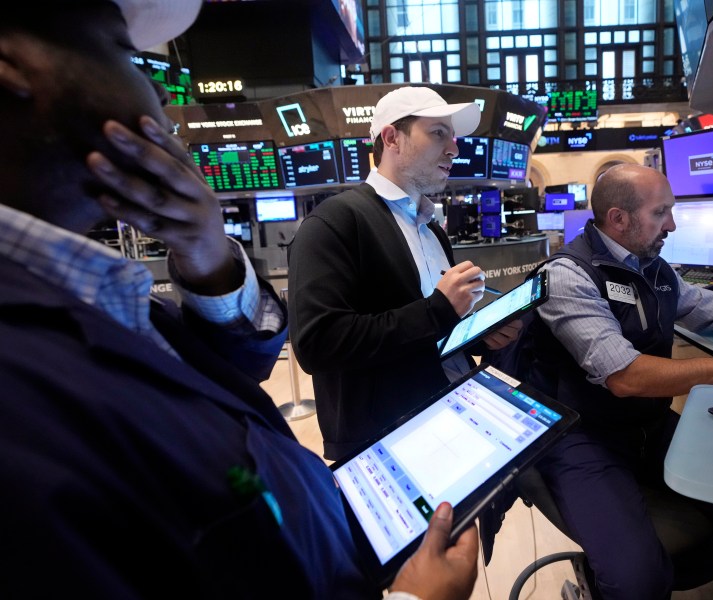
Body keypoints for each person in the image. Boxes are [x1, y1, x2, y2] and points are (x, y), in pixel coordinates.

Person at [0, 2, 477, 598]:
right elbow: (321, 344)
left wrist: (206, 257)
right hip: (377, 439)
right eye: (125, 54)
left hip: (427, 430)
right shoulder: (338, 221)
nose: (154, 88)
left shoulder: (93, 293)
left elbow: (233, 370)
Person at [522, 164, 713, 599]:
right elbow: (625, 377)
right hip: (584, 438)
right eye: (661, 213)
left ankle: (636, 579)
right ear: (618, 219)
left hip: (648, 428)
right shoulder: (566, 276)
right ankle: (624, 582)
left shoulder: (652, 267)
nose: (672, 224)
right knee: (637, 581)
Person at [289, 86, 520, 461]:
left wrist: (478, 335)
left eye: (453, 137)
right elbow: (318, 344)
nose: (454, 150)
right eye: (438, 133)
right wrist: (440, 309)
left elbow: (429, 334)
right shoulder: (335, 222)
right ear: (391, 137)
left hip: (453, 409)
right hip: (389, 438)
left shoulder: (431, 229)